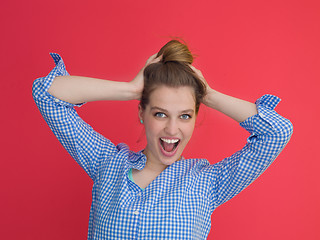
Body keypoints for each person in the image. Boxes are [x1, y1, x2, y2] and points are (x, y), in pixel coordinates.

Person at [32, 40, 293, 239]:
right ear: (142, 113)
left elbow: (277, 131)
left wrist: (208, 94)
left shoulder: (207, 183)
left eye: (184, 116)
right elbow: (45, 92)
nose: (172, 129)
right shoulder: (108, 164)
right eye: (160, 114)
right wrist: (130, 89)